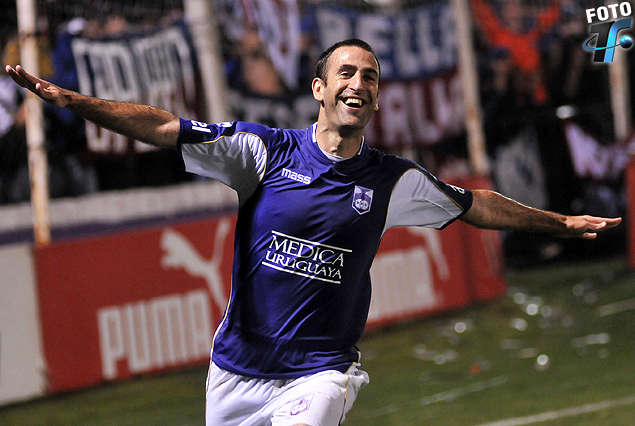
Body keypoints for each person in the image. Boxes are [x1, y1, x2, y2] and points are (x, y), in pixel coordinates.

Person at [6, 38, 621, 426]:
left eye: (371, 77)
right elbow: (165, 128)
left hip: (319, 373)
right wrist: (76, 102)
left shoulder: (391, 181)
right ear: (320, 89)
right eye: (347, 72)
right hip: (235, 373)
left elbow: (474, 204)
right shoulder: (263, 152)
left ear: (375, 98)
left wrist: (560, 222)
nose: (360, 84)